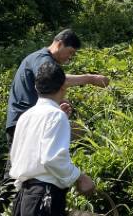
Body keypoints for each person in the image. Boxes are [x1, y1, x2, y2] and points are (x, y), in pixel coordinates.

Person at [0, 29, 109, 214]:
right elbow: (51, 158)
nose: (69, 58)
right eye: (70, 52)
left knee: (16, 171)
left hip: (27, 192)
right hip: (42, 193)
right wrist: (91, 78)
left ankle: (0, 211)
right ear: (59, 43)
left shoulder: (37, 114)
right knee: (11, 176)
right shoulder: (43, 59)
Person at [9, 62, 95, 216]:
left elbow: (17, 157)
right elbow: (51, 159)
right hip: (44, 196)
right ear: (64, 86)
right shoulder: (56, 115)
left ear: (36, 88)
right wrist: (79, 177)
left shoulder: (25, 116)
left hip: (23, 198)